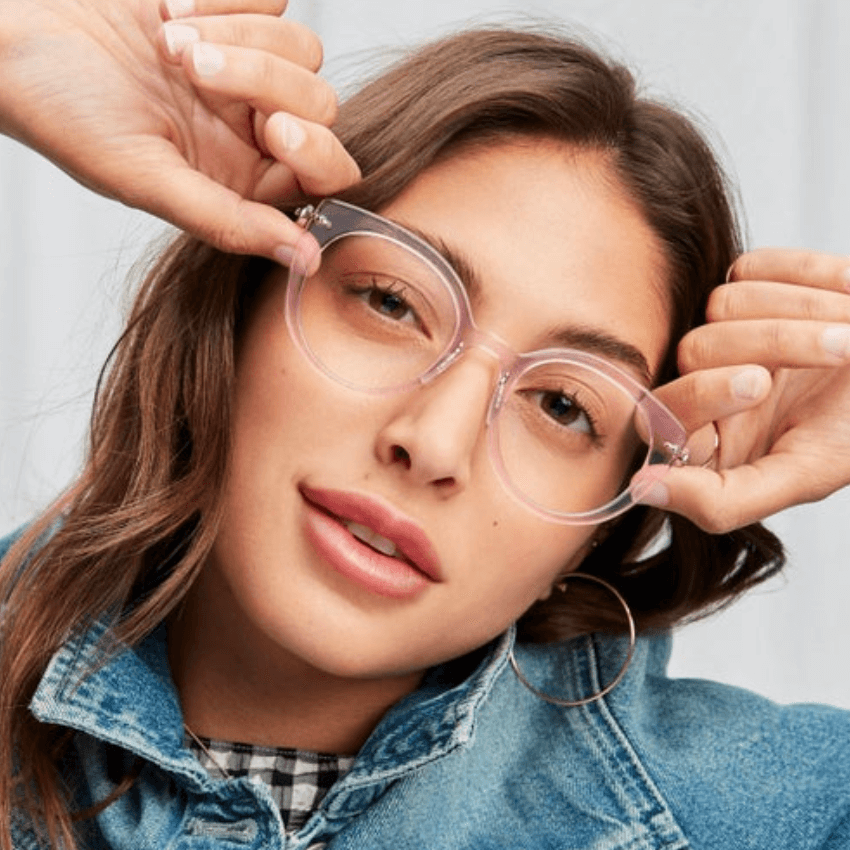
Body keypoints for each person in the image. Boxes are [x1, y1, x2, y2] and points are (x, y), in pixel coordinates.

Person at [2, 2, 850, 848]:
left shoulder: (773, 813)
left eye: (562, 406)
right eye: (393, 302)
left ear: (609, 515)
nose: (434, 444)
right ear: (242, 304)